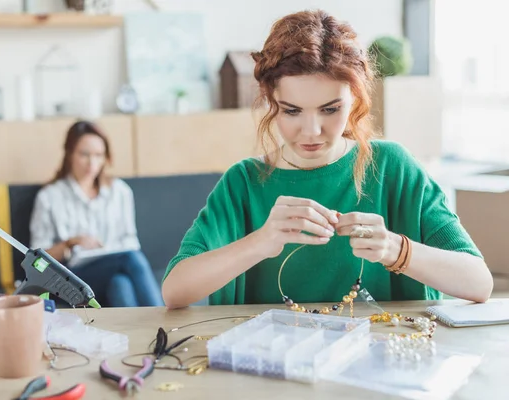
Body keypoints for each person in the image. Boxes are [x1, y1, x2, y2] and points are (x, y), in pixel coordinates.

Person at [162, 10, 493, 309]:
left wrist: (395, 249)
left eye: (330, 109)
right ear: (269, 100)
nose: (311, 131)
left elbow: (479, 283)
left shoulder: (393, 166)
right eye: (291, 111)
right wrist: (261, 242)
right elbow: (175, 291)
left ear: (356, 99)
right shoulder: (243, 182)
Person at [29, 120, 163, 307]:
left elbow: (130, 240)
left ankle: (136, 336)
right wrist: (70, 243)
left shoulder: (120, 192)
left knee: (120, 283)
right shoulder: (49, 196)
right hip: (73, 278)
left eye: (99, 155)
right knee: (131, 259)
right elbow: (37, 259)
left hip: (113, 272)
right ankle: (167, 322)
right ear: (69, 154)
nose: (92, 163)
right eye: (84, 155)